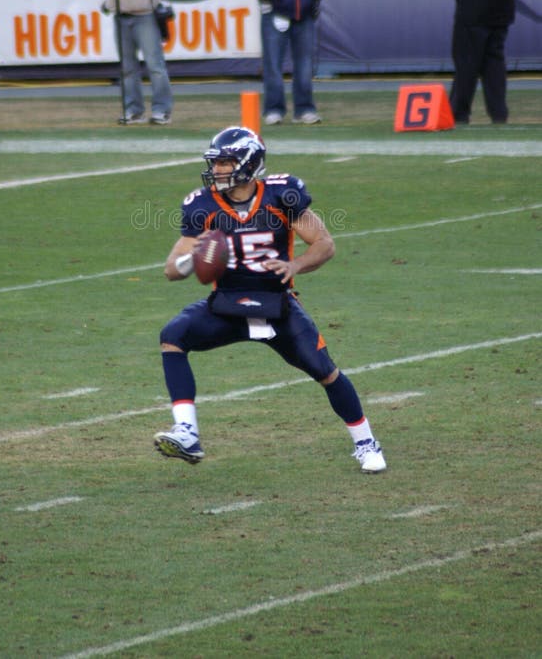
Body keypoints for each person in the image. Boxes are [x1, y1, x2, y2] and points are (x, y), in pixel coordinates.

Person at [154, 126, 387, 474]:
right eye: (215, 162)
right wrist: (194, 257)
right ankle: (187, 432)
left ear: (249, 163)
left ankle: (366, 441)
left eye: (226, 162)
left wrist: (294, 265)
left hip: (277, 303)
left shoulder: (282, 195)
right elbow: (172, 270)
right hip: (227, 302)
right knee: (173, 336)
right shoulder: (201, 206)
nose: (217, 169)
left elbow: (324, 244)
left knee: (325, 371)